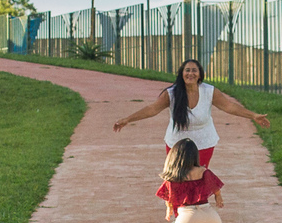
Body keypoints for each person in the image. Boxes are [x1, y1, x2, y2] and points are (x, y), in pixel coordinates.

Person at [112, 58, 270, 167]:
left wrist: (253, 115)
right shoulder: (171, 93)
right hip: (177, 142)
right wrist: (128, 119)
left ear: (200, 74)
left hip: (204, 141)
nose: (190, 73)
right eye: (187, 70)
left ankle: (198, 215)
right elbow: (152, 109)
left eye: (194, 70)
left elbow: (229, 106)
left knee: (199, 179)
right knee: (177, 179)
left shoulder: (209, 91)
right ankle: (179, 215)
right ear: (182, 73)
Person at [156, 138, 224, 223]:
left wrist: (169, 210)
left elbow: (169, 198)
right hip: (209, 214)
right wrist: (218, 197)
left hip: (187, 216)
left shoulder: (173, 177)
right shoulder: (203, 172)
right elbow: (215, 187)